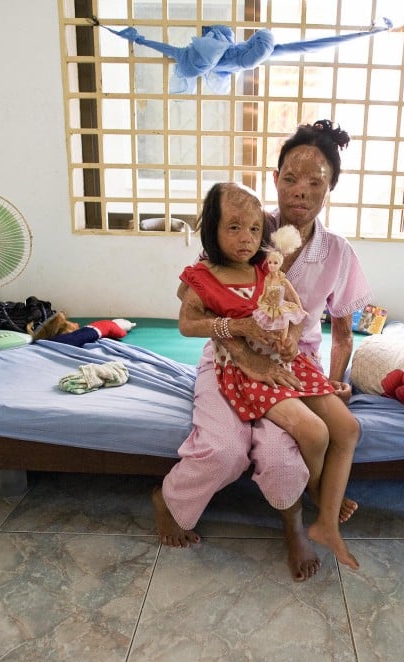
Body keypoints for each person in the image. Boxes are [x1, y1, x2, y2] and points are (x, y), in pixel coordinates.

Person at [153, 120, 372, 581]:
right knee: (224, 449)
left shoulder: (337, 252)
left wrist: (338, 379)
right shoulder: (247, 225)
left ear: (331, 186)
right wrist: (244, 348)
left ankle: (297, 525)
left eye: (316, 181)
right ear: (275, 179)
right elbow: (196, 299)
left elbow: (343, 331)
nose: (301, 191)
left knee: (283, 452)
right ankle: (170, 500)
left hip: (295, 364)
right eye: (290, 178)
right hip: (228, 356)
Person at [177, 181, 359, 569]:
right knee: (314, 431)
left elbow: (298, 308)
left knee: (342, 427)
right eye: (234, 227)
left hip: (286, 361)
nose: (246, 239)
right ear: (212, 228)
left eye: (255, 229)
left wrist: (293, 336)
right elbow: (188, 324)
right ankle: (316, 489)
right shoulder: (202, 275)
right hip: (242, 369)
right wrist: (236, 329)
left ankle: (319, 500)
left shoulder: (266, 267)